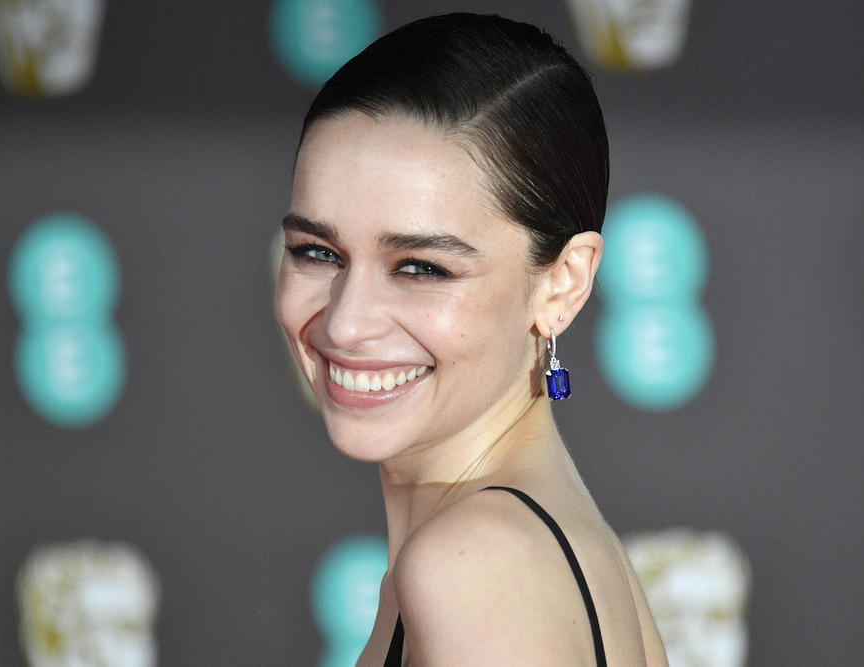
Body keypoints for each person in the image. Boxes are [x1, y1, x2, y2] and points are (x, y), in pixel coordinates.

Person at [275, 12, 667, 666]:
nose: (345, 323)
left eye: (421, 267)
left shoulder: (476, 568)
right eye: (317, 252)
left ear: (563, 283)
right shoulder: (532, 545)